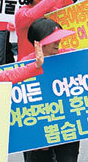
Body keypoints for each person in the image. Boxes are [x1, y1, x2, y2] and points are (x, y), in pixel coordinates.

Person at [23, 18, 80, 162]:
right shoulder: (24, 66)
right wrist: (38, 134)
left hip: (68, 127)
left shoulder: (71, 56)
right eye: (53, 39)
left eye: (58, 38)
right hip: (39, 134)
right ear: (38, 42)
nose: (57, 42)